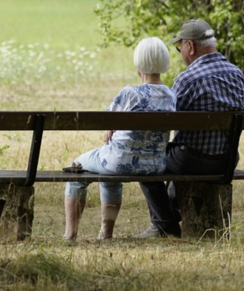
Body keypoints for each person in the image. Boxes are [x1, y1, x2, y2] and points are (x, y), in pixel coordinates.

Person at [136, 19, 244, 238]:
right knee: (179, 153)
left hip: (193, 161)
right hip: (227, 160)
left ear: (190, 46)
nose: (180, 54)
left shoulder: (187, 79)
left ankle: (165, 225)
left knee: (144, 160)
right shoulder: (238, 75)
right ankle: (166, 219)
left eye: (179, 49)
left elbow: (168, 122)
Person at [63, 37, 176, 242]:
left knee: (76, 168)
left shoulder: (129, 93)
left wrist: (111, 130)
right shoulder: (171, 95)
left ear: (138, 65)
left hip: (119, 162)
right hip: (155, 165)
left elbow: (107, 122)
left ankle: (70, 234)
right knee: (108, 169)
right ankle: (105, 233)